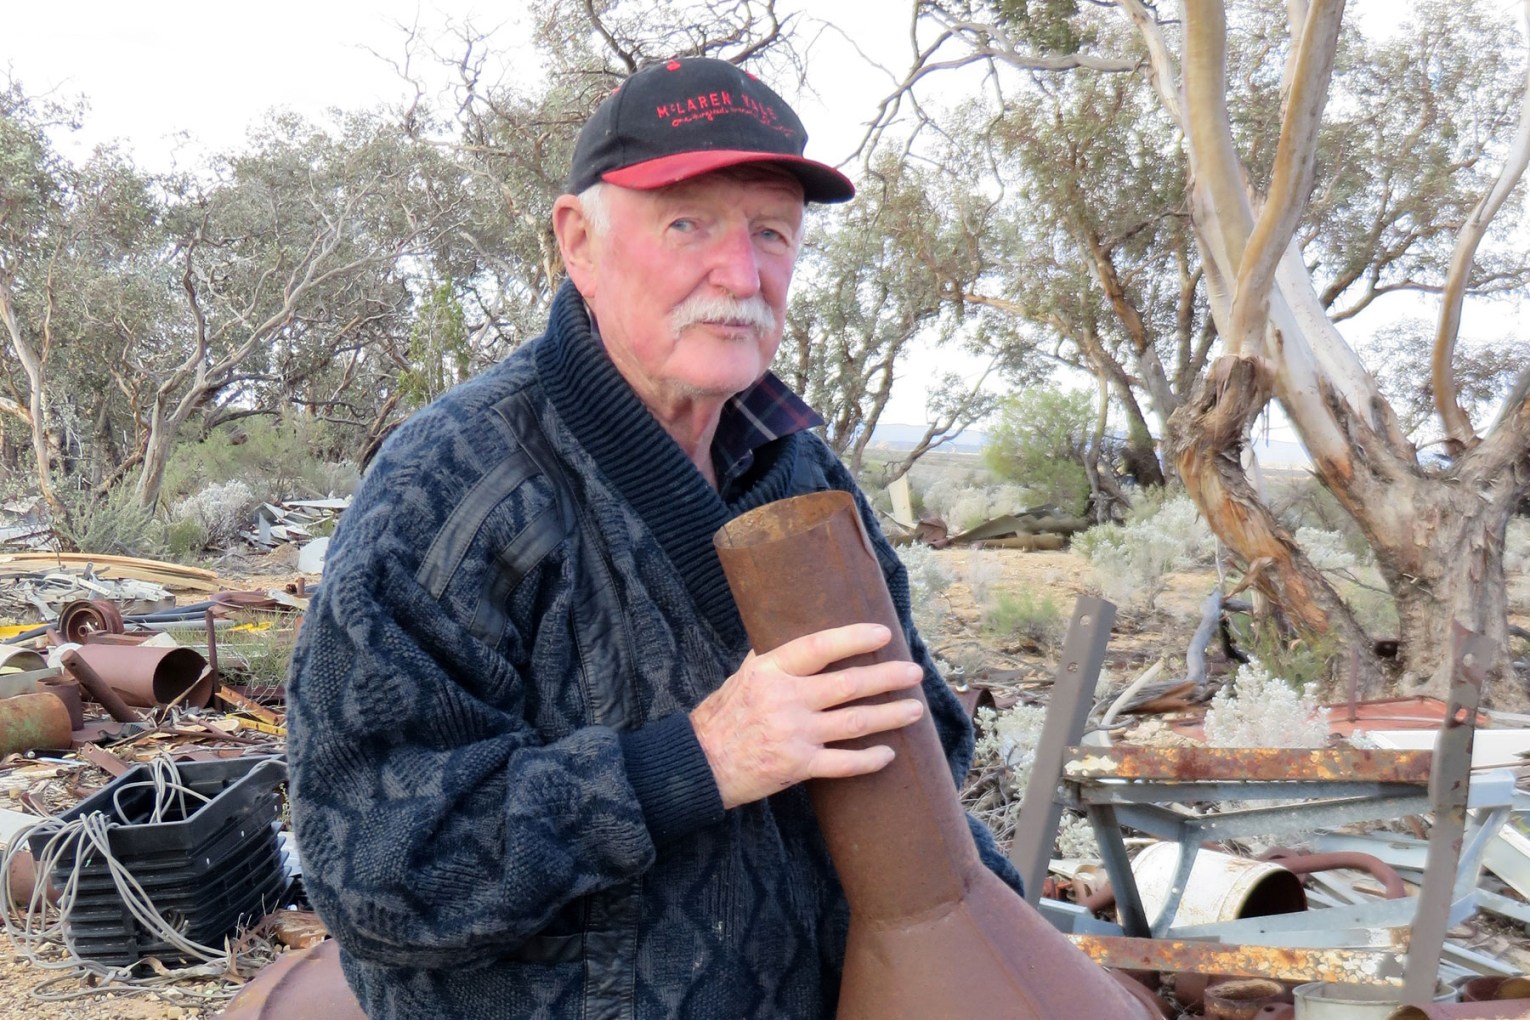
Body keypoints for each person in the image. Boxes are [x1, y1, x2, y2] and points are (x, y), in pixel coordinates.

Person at [287, 56, 1021, 1020]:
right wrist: (695, 762)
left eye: (771, 232)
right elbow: (378, 871)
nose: (741, 272)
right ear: (578, 242)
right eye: (688, 224)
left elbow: (923, 747)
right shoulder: (454, 484)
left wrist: (1017, 928)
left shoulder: (799, 468)